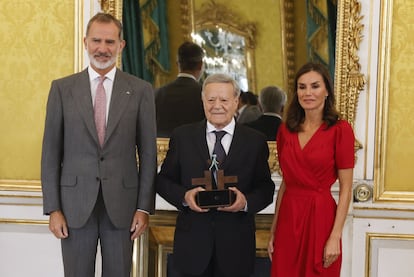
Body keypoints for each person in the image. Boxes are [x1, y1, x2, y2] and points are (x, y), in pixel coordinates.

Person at [41, 13, 157, 277]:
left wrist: (143, 207)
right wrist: (53, 208)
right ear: (85, 42)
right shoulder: (62, 89)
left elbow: (148, 155)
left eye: (109, 41)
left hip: (124, 208)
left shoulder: (140, 91)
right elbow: (50, 152)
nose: (102, 48)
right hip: (73, 206)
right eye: (96, 40)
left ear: (121, 45)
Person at [156, 73, 275, 277]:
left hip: (236, 248)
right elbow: (163, 181)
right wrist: (185, 197)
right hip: (191, 248)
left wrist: (244, 201)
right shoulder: (182, 136)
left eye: (224, 100)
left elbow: (265, 188)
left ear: (236, 102)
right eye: (211, 100)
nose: (216, 105)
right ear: (203, 101)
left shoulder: (255, 141)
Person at [267, 62, 355, 276]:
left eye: (315, 86)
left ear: (326, 91)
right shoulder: (285, 131)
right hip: (289, 216)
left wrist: (335, 236)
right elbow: (287, 184)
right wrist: (274, 230)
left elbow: (346, 188)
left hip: (321, 218)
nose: (308, 93)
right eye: (302, 87)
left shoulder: (340, 130)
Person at [155, 41, 206, 137]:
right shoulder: (205, 94)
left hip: (162, 150)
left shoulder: (158, 93)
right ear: (200, 65)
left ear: (177, 64)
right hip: (196, 150)